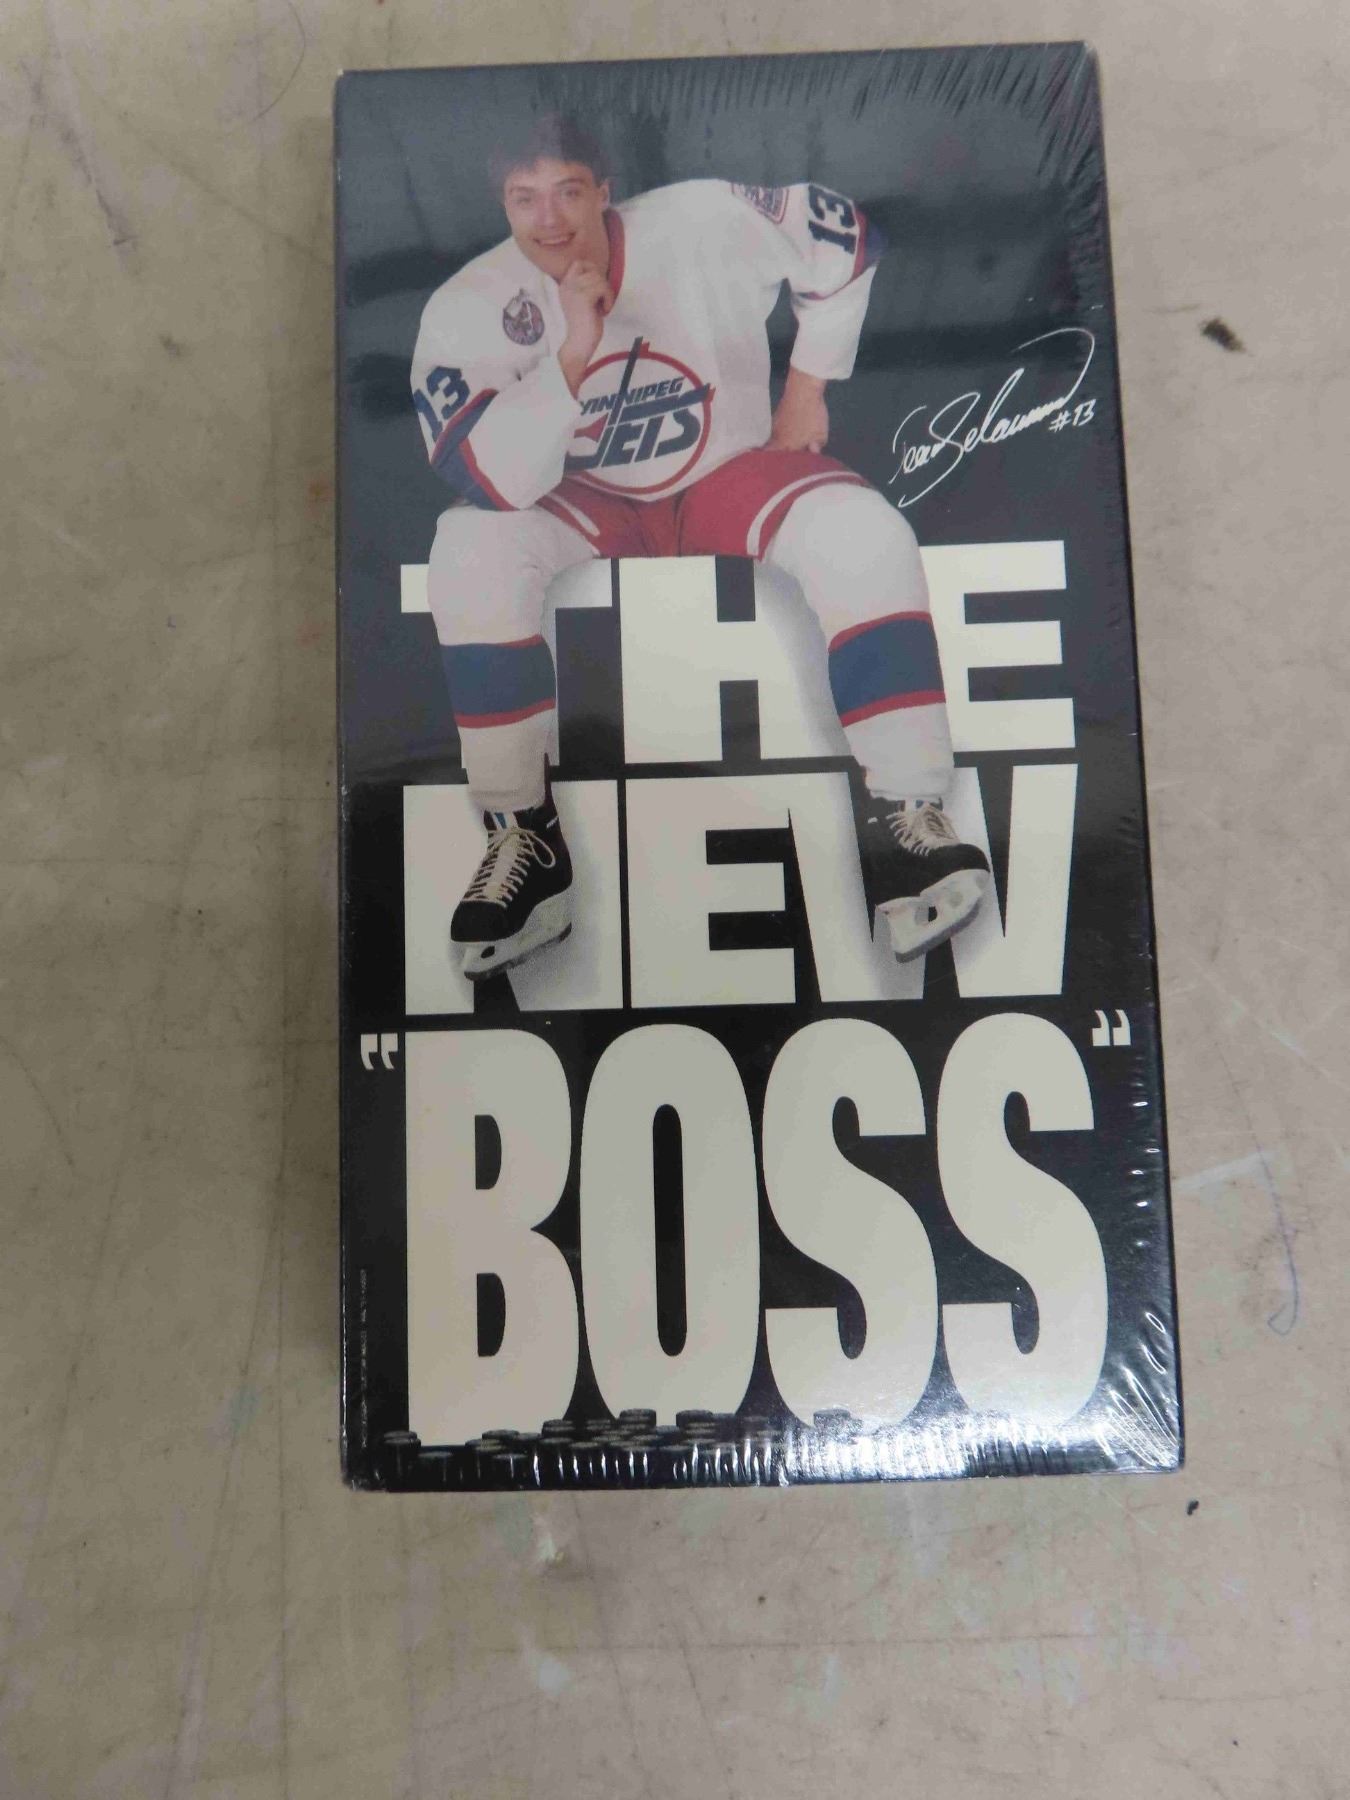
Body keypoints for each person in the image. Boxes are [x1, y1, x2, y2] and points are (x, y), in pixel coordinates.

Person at [411, 114, 990, 980]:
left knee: (866, 534)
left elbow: (844, 238)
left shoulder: (701, 218)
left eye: (569, 190)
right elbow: (492, 480)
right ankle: (524, 837)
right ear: (503, 205)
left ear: (604, 191)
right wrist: (573, 351)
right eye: (525, 198)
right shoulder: (467, 305)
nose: (549, 218)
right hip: (586, 496)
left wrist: (807, 387)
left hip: (724, 471)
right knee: (467, 549)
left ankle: (906, 822)